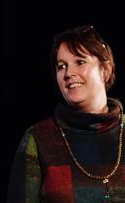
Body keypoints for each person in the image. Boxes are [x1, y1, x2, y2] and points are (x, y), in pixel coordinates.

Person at [7, 25, 125, 202]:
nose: (68, 73)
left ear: (105, 70)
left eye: (80, 62)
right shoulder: (39, 140)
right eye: (61, 66)